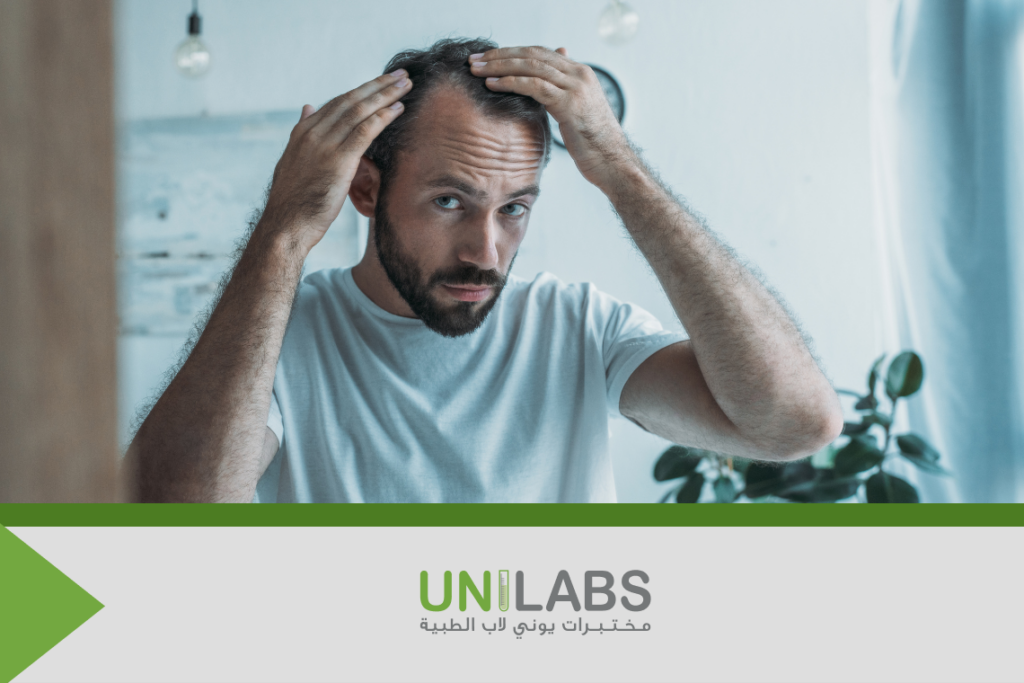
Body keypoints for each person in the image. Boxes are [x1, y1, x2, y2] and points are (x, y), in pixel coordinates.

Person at [126, 38, 843, 503]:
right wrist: (282, 234)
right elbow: (168, 519)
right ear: (366, 191)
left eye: (514, 208)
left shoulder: (580, 326)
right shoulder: (282, 338)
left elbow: (795, 424)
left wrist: (620, 171)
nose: (487, 252)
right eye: (450, 201)